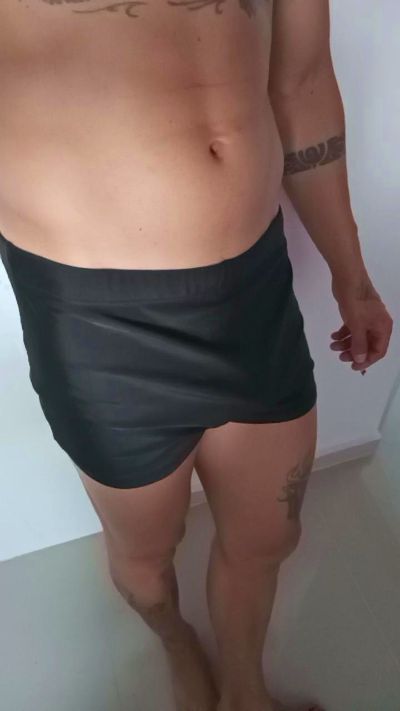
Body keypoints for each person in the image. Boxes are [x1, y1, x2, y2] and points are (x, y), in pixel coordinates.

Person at [0, 1, 393, 709]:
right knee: (145, 560)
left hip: (251, 289)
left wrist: (353, 275)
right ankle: (178, 642)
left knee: (270, 534)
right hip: (93, 320)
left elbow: (301, 82)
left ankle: (243, 686)